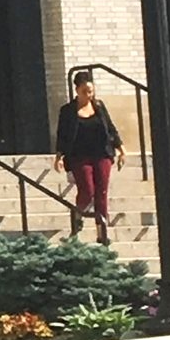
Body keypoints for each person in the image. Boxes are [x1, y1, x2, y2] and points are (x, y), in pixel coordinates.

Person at [54, 69, 125, 245]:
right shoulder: (68, 111)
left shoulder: (99, 107)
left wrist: (121, 148)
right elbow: (62, 135)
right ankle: (78, 214)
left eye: (91, 91)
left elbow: (110, 128)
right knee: (87, 190)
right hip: (79, 156)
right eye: (85, 91)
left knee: (101, 192)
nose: (89, 94)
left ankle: (102, 232)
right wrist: (59, 157)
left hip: (102, 154)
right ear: (77, 90)